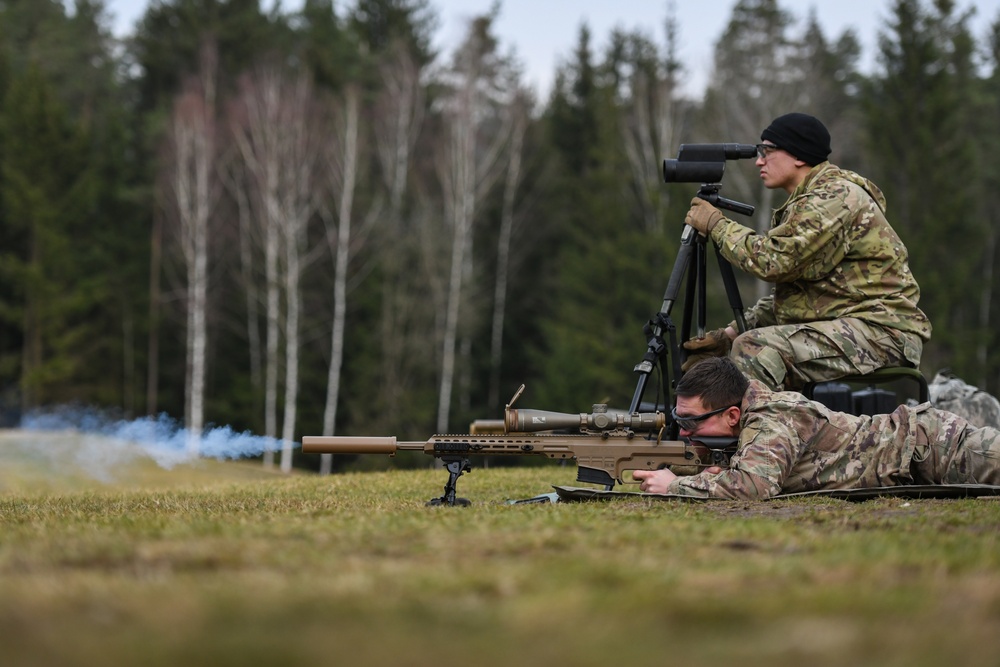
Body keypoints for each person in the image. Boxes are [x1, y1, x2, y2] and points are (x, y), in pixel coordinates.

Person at [681, 112, 932, 392]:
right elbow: (798, 296)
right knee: (747, 343)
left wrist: (716, 225)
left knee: (755, 349)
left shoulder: (834, 198)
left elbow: (773, 261)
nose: (759, 161)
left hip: (882, 332)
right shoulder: (811, 200)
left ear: (799, 156)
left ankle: (766, 435)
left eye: (768, 150)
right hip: (856, 324)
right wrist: (728, 335)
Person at [631, 357, 1000, 499]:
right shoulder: (748, 420)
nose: (685, 432)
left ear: (731, 415)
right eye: (680, 422)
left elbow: (754, 487)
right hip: (918, 459)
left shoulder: (776, 415)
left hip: (935, 447)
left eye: (692, 422)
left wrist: (675, 485)